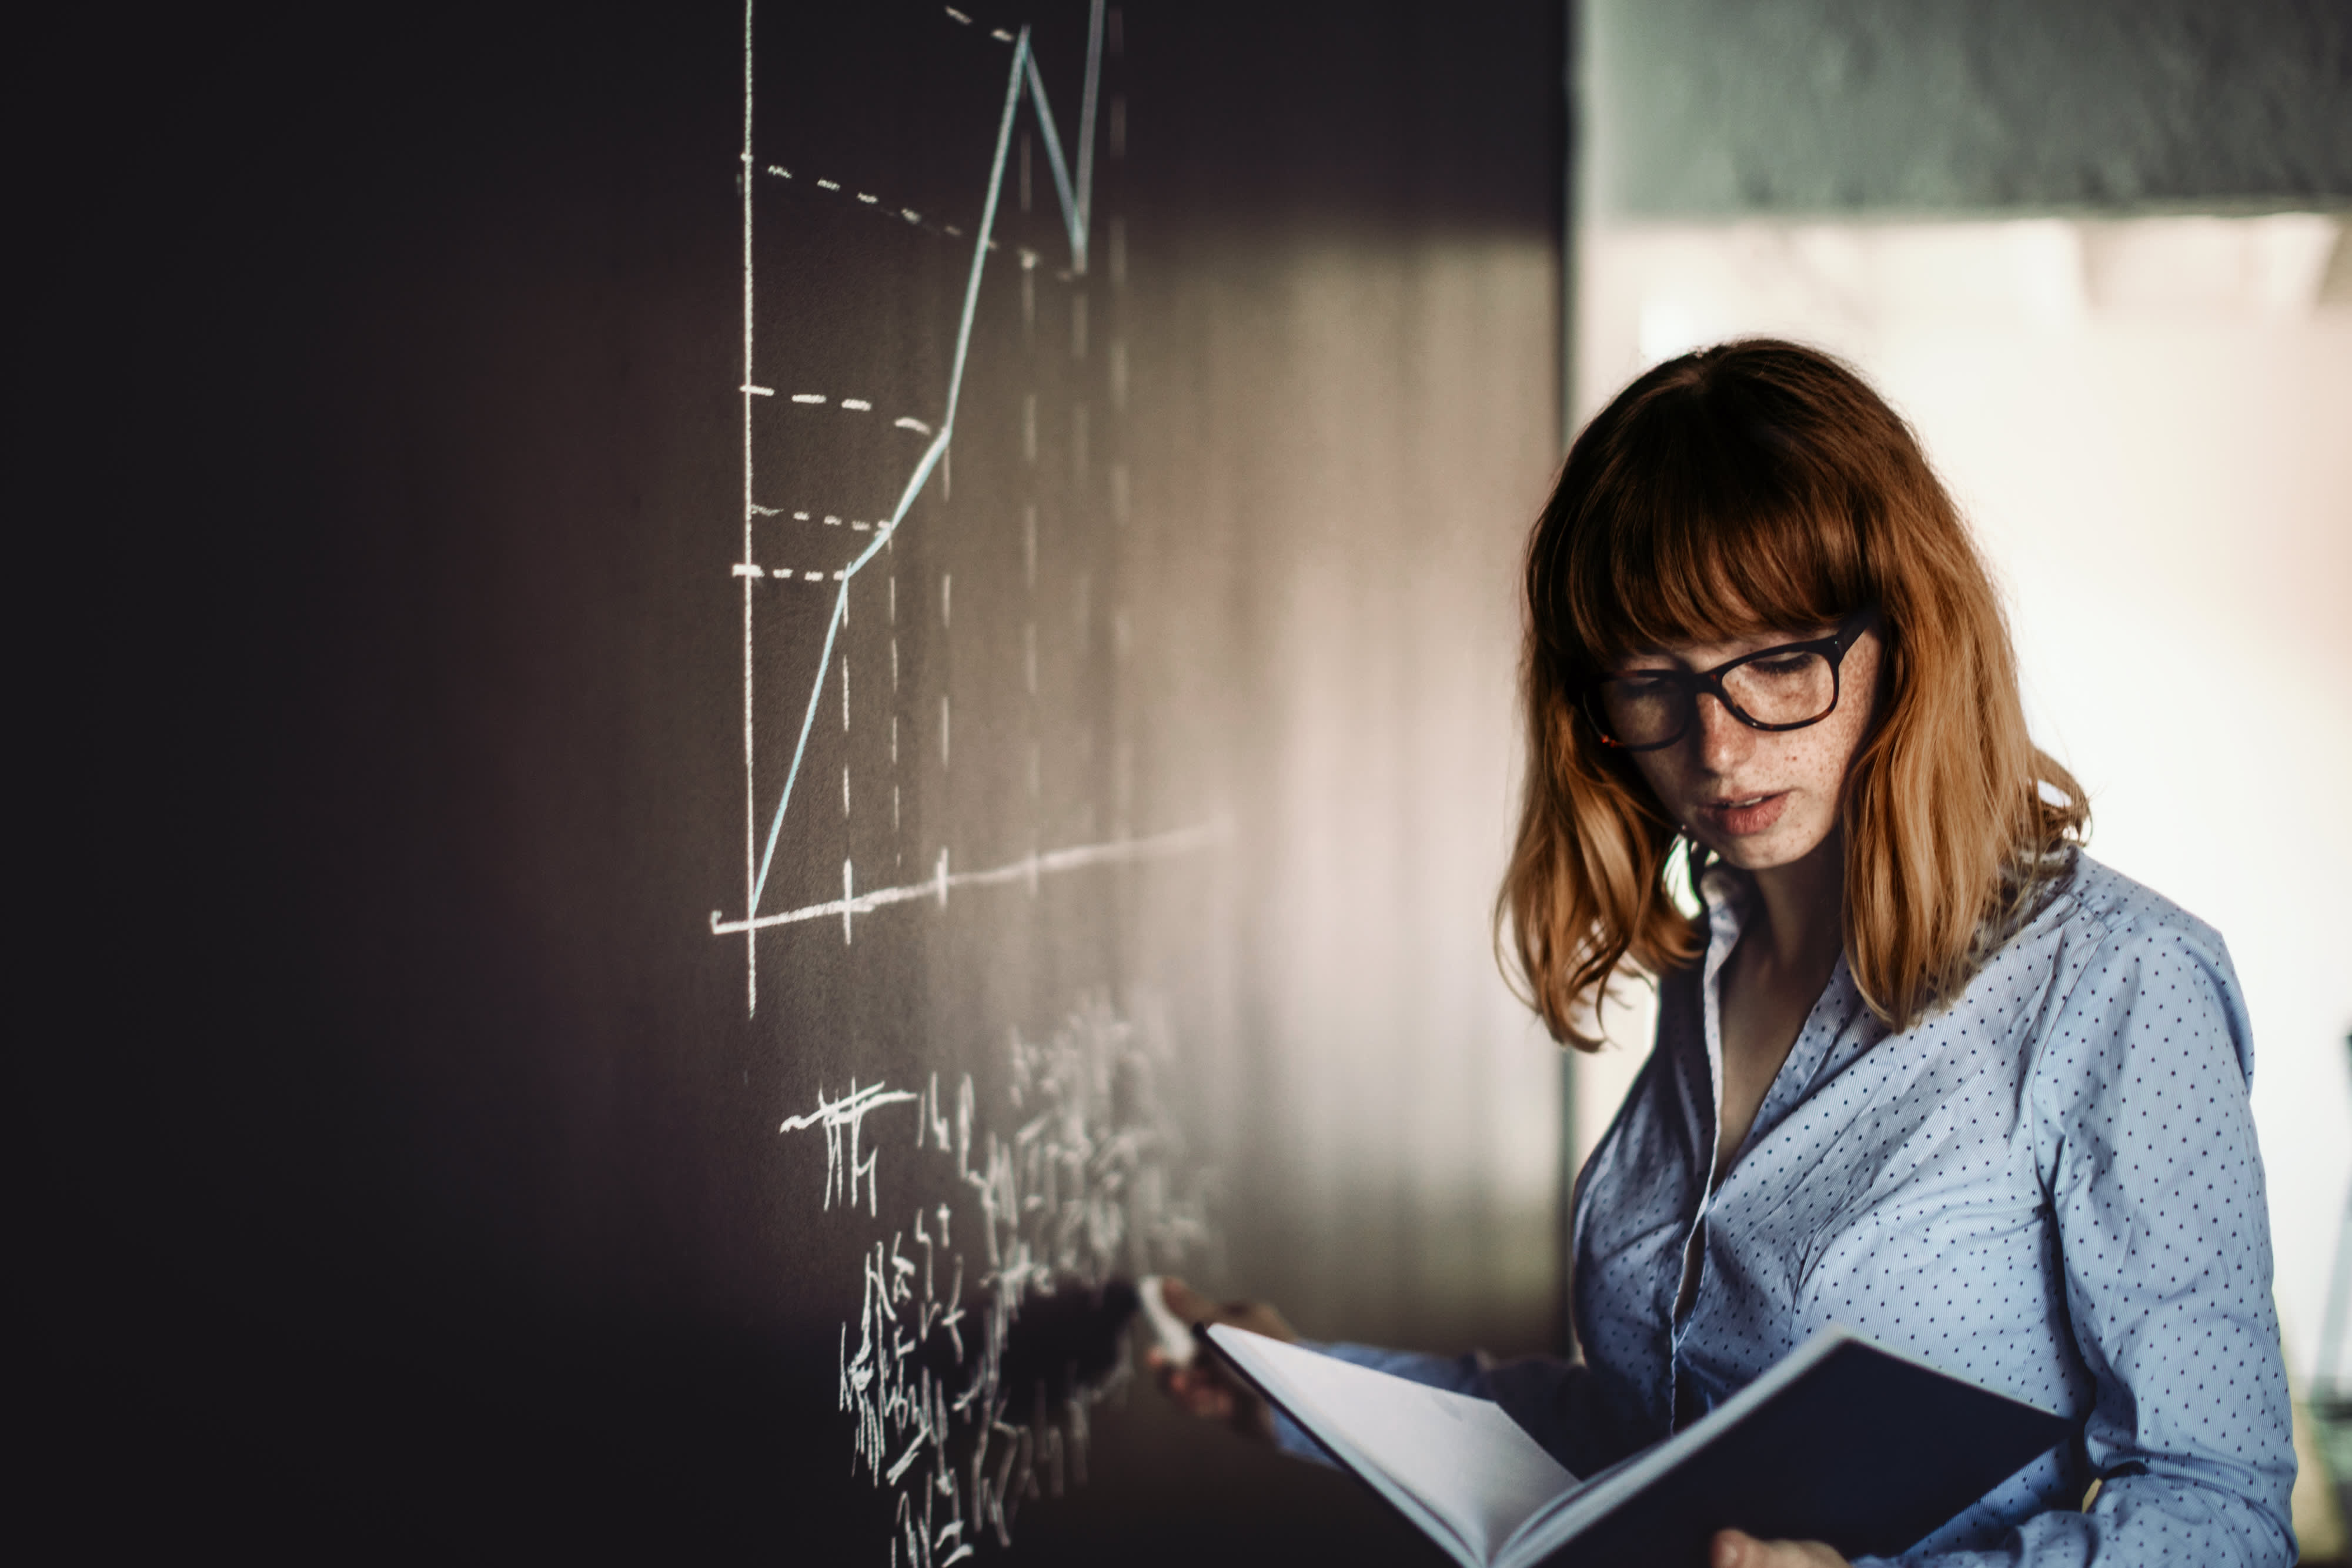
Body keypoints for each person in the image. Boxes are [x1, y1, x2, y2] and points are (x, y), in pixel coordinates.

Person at [1152, 340, 2297, 1567]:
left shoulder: (2118, 985)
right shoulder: (1710, 967)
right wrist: (1312, 1388)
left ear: (1902, 641)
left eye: (1777, 662)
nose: (1714, 747)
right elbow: (1655, 1428)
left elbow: (2216, 1513)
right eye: (1651, 679)